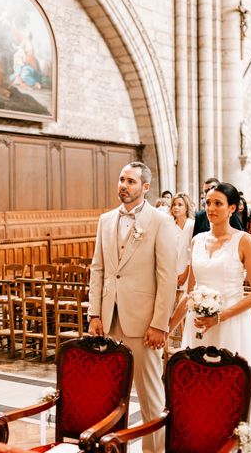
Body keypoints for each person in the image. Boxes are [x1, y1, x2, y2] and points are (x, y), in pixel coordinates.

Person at [168, 183, 251, 451]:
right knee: (197, 384)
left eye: (218, 203)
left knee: (235, 386)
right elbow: (190, 292)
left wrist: (220, 316)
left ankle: (238, 444)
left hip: (232, 324)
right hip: (198, 325)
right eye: (207, 203)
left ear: (232, 208)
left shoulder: (244, 241)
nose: (211, 209)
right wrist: (167, 328)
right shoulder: (197, 240)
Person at [88, 162, 177, 453]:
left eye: (131, 181)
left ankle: (156, 451)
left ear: (145, 187)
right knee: (110, 393)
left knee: (151, 395)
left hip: (143, 323)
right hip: (110, 319)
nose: (123, 185)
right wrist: (94, 313)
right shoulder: (106, 219)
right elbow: (98, 269)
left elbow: (166, 277)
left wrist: (160, 323)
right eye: (121, 179)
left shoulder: (161, 222)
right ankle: (112, 447)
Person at [171, 192, 195, 290]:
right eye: (174, 205)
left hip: (188, 269)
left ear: (186, 207)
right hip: (172, 270)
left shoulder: (192, 225)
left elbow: (194, 251)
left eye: (180, 205)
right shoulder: (169, 225)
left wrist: (186, 271)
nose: (176, 207)